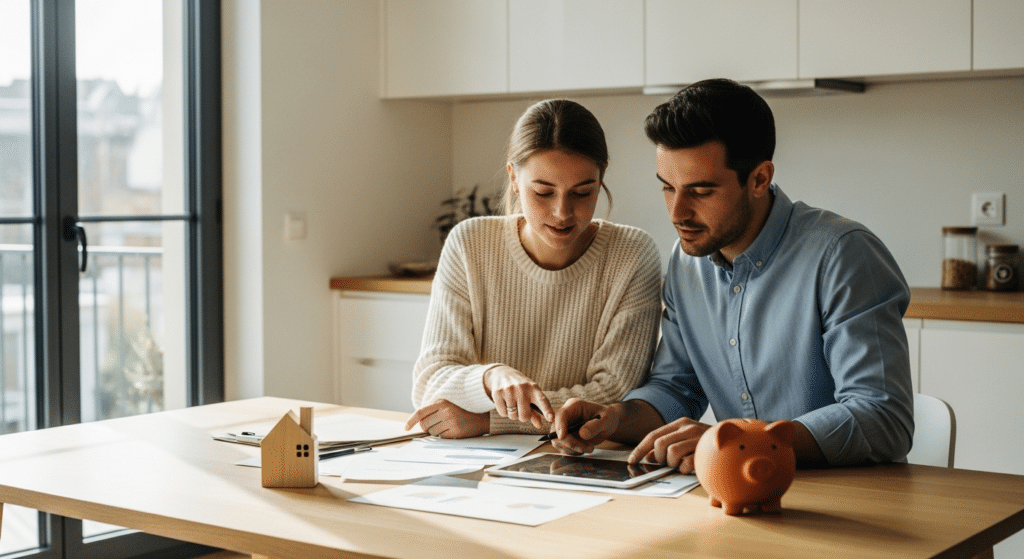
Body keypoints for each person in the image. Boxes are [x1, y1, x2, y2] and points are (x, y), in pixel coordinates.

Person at [551, 78, 914, 472]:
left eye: (701, 192)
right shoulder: (687, 262)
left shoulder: (843, 255)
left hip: (852, 498)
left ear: (759, 179)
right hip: (739, 490)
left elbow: (883, 417)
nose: (677, 213)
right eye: (668, 188)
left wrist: (747, 441)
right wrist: (615, 418)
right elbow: (677, 388)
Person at [405, 99, 663, 438]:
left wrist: (489, 421)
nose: (562, 212)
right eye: (543, 192)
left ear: (601, 180)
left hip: (583, 455)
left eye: (583, 192)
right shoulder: (469, 243)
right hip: (481, 458)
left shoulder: (633, 255)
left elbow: (614, 396)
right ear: (513, 178)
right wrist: (490, 378)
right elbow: (430, 384)